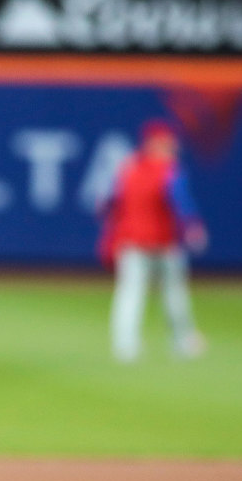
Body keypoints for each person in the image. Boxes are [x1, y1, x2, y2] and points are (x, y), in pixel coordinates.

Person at [98, 118, 208, 362]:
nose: (171, 148)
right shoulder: (169, 170)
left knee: (131, 292)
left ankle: (126, 344)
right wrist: (192, 226)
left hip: (133, 241)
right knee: (172, 293)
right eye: (166, 143)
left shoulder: (128, 167)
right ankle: (181, 341)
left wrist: (107, 215)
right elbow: (180, 200)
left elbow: (109, 201)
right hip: (162, 241)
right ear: (155, 144)